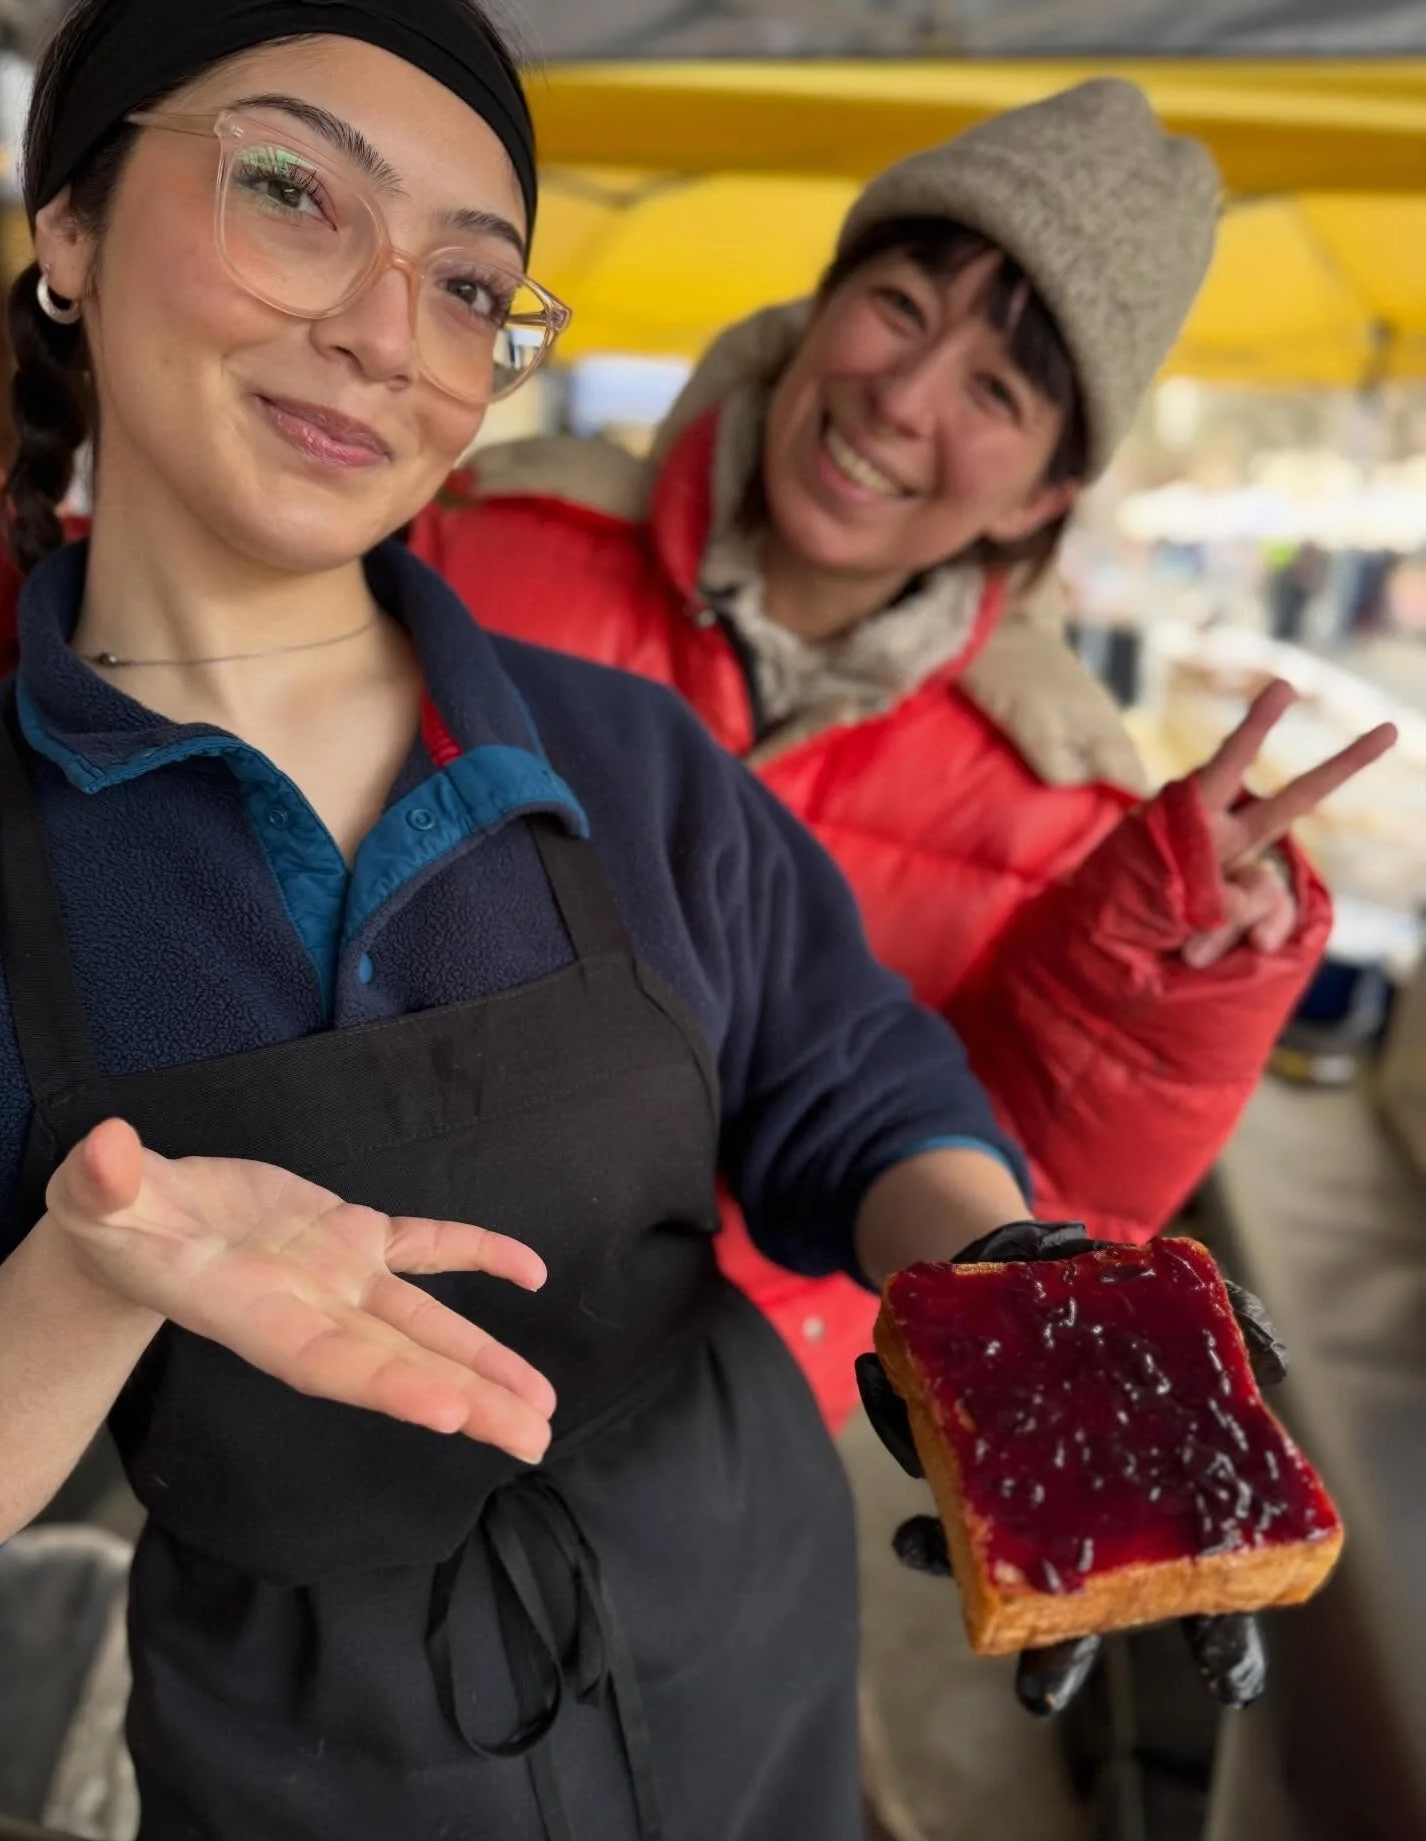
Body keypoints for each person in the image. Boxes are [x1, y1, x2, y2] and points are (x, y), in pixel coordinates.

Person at [0, 4, 1056, 1841]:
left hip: (757, 1662)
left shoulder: (620, 760)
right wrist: (83, 1276)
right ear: (62, 225)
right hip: (328, 1787)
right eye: (294, 193)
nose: (389, 334)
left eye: (473, 285)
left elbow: (855, 1080)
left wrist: (1016, 1291)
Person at [407, 80, 1396, 1434]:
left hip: (720, 1442)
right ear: (821, 304)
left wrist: (1165, 976)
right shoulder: (469, 544)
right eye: (898, 308)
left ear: (1050, 490)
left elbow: (1028, 1192)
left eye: (994, 387)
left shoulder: (1063, 800)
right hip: (353, 1348)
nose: (903, 397)